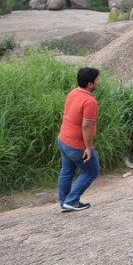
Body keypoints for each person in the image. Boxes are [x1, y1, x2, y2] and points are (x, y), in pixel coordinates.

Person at [57, 67, 102, 212]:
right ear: (90, 84)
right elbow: (86, 127)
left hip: (64, 139)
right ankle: (72, 201)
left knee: (67, 171)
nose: (98, 82)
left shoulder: (73, 93)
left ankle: (64, 203)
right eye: (96, 80)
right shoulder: (89, 101)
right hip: (76, 145)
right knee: (92, 171)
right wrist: (88, 148)